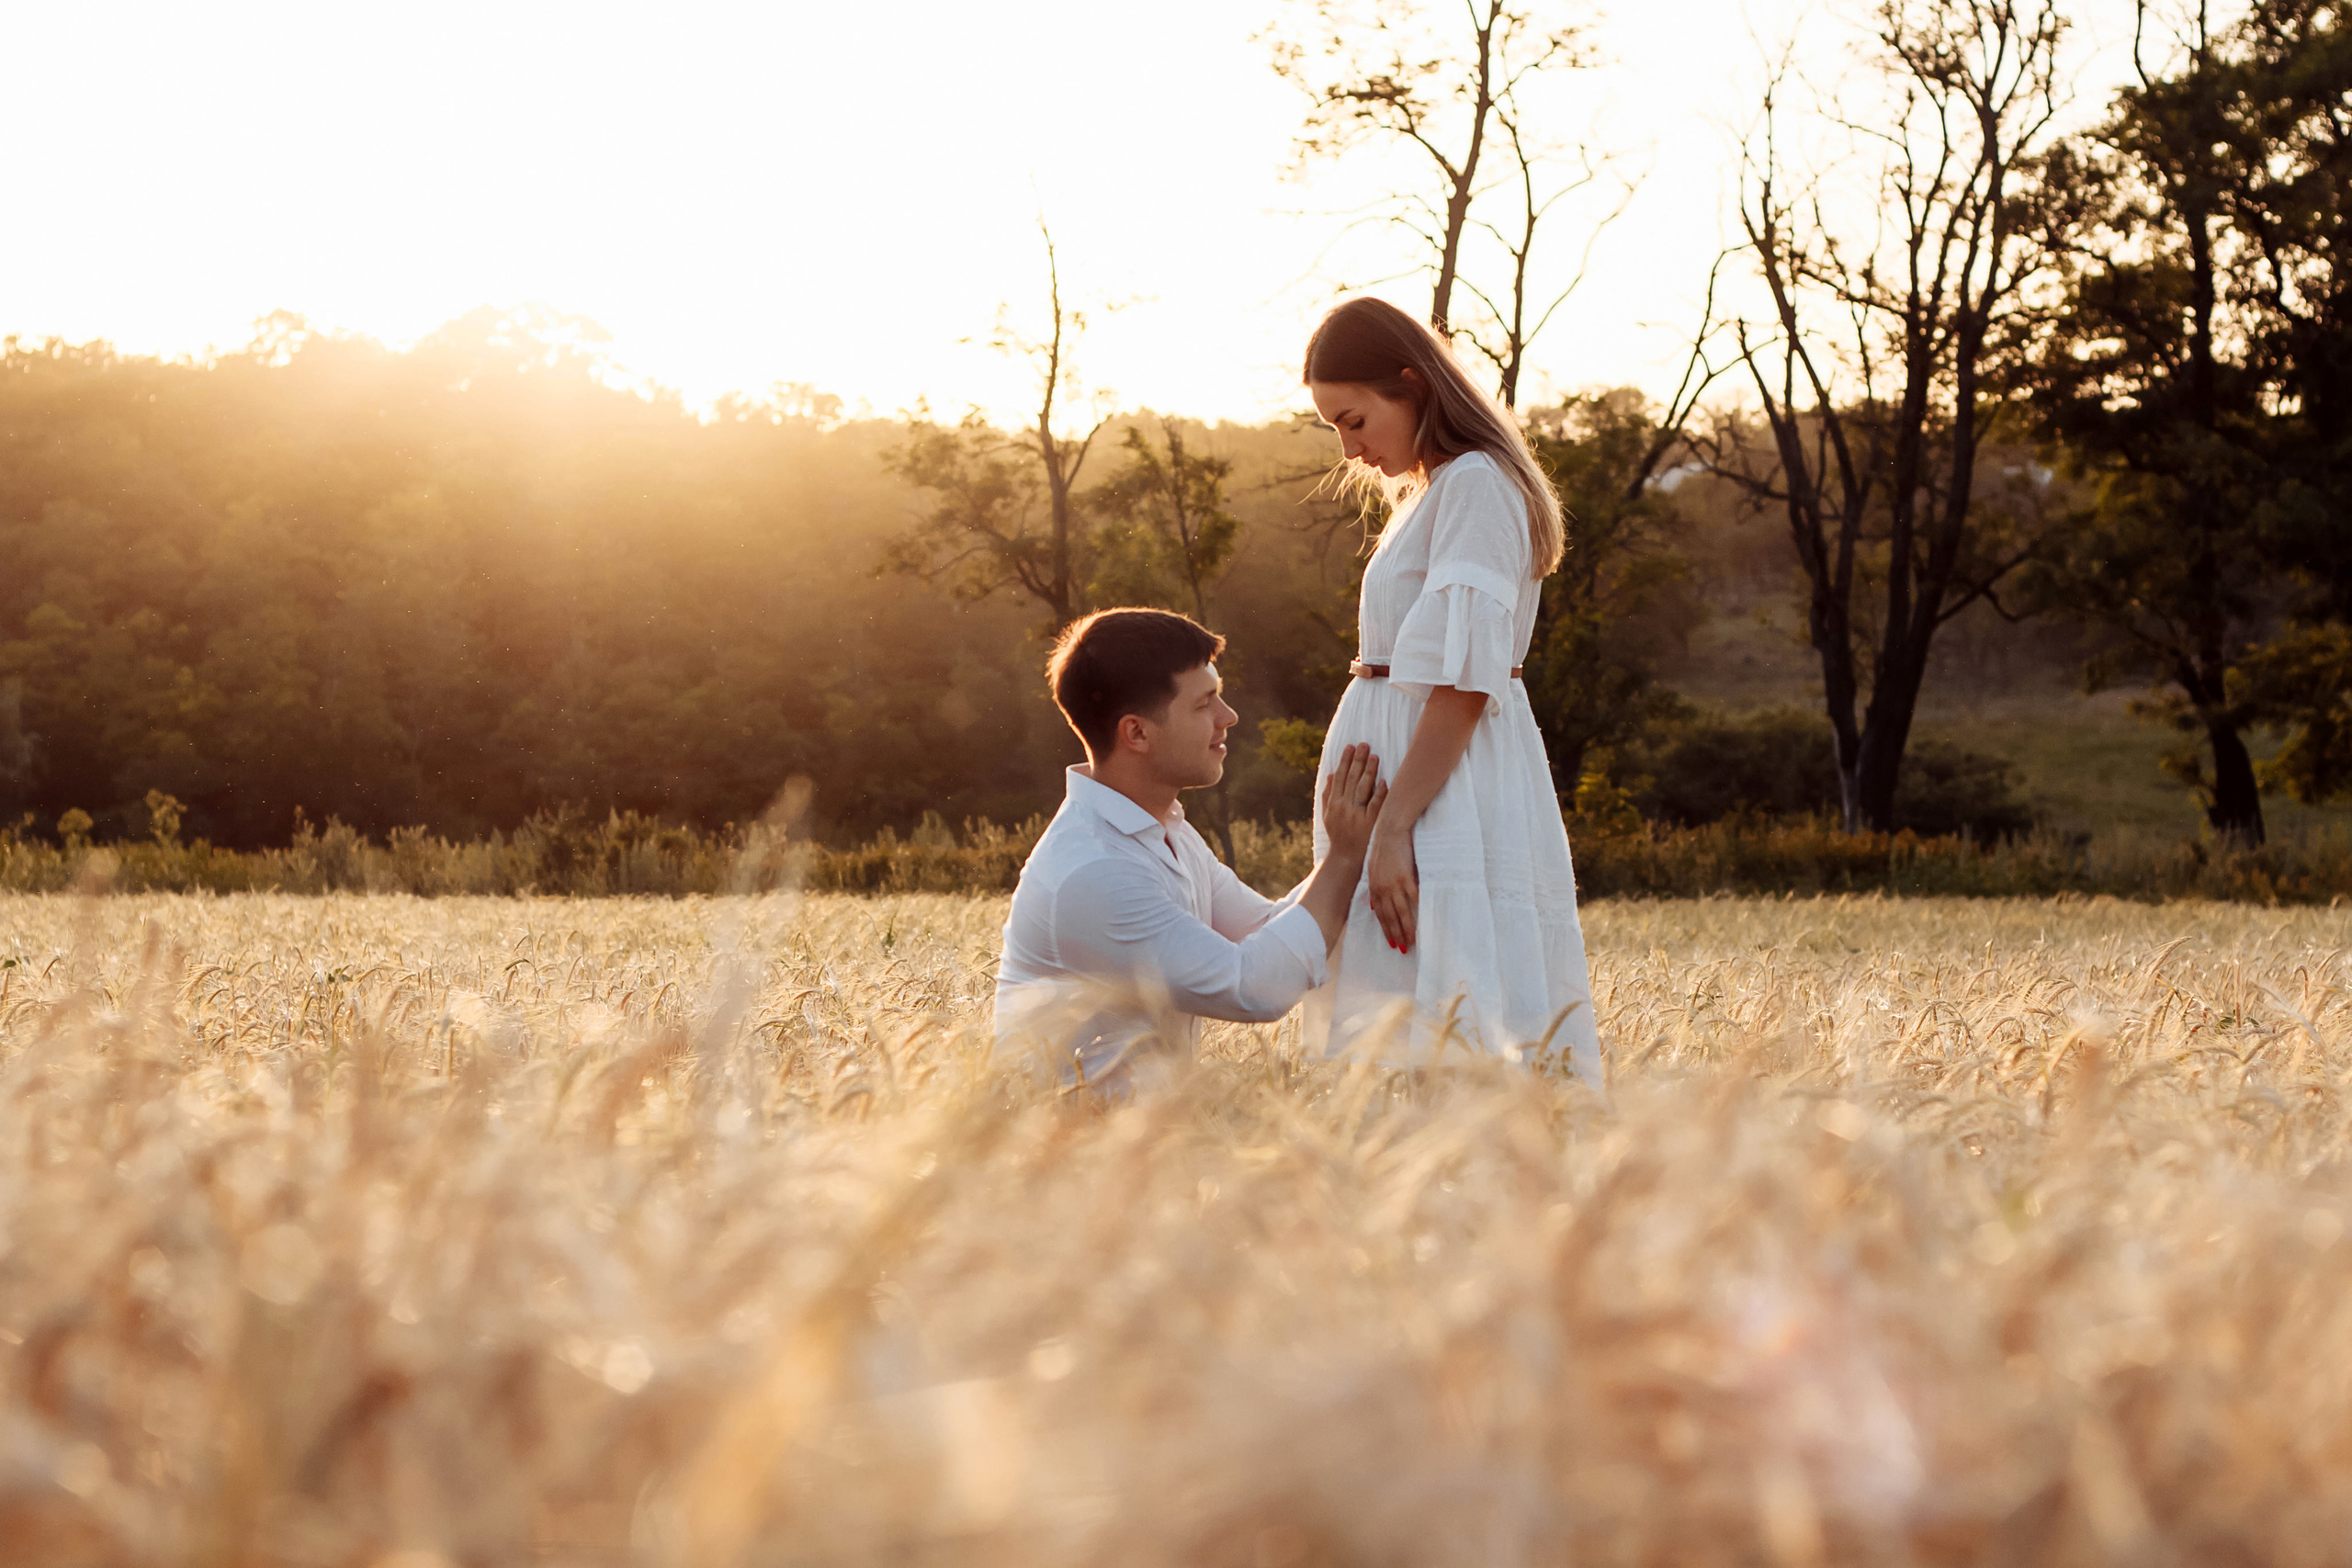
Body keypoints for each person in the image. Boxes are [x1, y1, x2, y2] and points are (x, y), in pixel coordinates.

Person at [1301, 296, 1602, 1078]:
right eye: (1334, 426)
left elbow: (1466, 685)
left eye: (1355, 419)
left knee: (1444, 1013)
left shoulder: (1476, 485)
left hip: (1440, 798)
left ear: (1411, 384)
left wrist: (1396, 824)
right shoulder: (1436, 492)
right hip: (1413, 795)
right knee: (1400, 1021)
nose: (1347, 447)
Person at [994, 607, 1387, 1088]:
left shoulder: (1167, 831)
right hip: (1065, 1146)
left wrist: (1370, 848)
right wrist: (1344, 856)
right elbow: (1253, 988)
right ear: (1136, 732)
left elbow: (1269, 929)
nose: (1229, 717)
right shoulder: (1094, 872)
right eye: (1205, 705)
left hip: (1140, 1142)